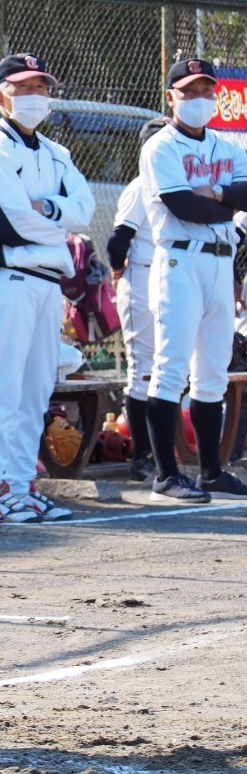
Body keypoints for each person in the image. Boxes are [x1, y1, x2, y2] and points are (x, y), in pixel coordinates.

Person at [0, 52, 95, 523]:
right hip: (7, 279)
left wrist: (48, 209)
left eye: (41, 87)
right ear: (1, 96)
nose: (35, 96)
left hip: (46, 283)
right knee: (2, 389)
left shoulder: (58, 154)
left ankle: (19, 485)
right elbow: (12, 222)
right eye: (24, 87)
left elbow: (85, 210)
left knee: (35, 391)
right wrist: (58, 218)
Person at [140, 58, 247, 503]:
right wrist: (226, 203)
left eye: (206, 90)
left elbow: (241, 196)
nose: (200, 99)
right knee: (170, 369)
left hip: (221, 264)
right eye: (189, 91)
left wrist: (217, 195)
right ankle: (166, 475)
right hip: (179, 263)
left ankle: (210, 472)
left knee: (213, 374)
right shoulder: (160, 147)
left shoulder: (228, 146)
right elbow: (183, 206)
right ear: (172, 97)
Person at [106, 116, 168, 482]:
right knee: (144, 368)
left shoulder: (180, 185)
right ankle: (142, 457)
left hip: (170, 277)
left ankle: (163, 455)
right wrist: (118, 270)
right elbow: (117, 241)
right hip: (141, 275)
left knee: (169, 368)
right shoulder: (140, 186)